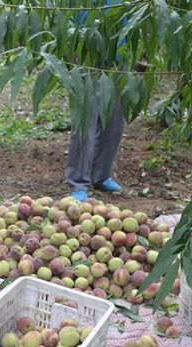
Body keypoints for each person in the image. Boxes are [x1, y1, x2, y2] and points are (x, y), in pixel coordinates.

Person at [66, 1, 126, 202]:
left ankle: (100, 175)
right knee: (85, 121)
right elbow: (67, 16)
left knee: (114, 120)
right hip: (88, 54)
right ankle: (78, 181)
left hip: (119, 56)